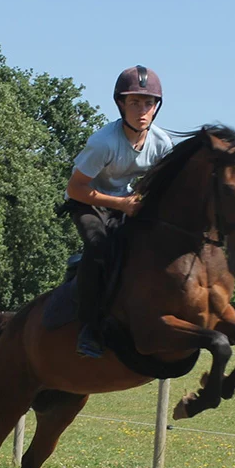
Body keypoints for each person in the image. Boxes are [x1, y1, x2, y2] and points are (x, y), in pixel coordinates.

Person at [64, 65, 173, 358]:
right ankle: (89, 328)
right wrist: (123, 204)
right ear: (120, 104)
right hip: (87, 202)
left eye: (148, 103)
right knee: (99, 247)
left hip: (127, 201)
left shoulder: (162, 143)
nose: (142, 110)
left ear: (156, 108)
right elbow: (75, 189)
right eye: (134, 102)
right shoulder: (103, 142)